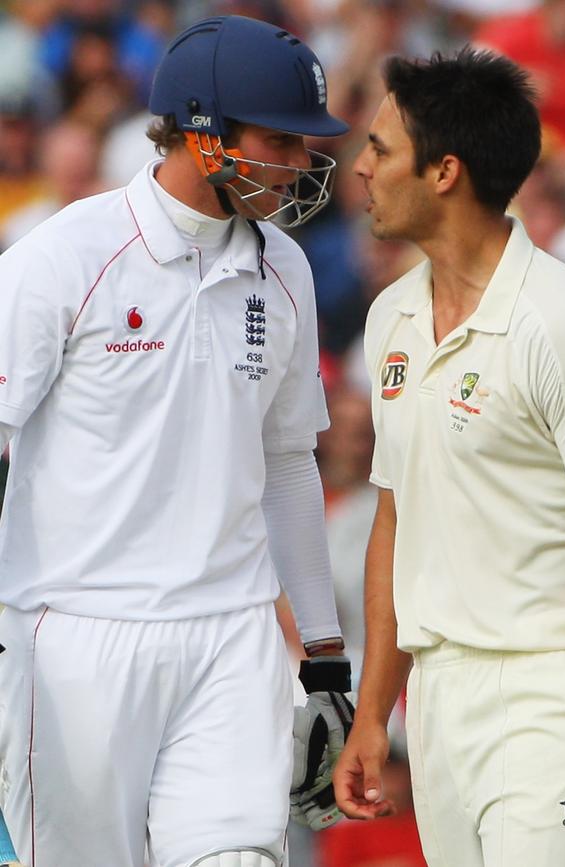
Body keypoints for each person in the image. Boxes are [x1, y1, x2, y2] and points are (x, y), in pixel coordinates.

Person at [0, 15, 353, 867]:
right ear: (201, 135)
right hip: (73, 634)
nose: (303, 165)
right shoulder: (62, 258)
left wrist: (325, 662)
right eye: (281, 140)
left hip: (230, 633)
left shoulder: (288, 267)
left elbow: (286, 464)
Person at [333, 47, 565, 867]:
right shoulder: (391, 316)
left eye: (380, 149)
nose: (360, 168)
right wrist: (375, 710)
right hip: (438, 699)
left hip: (557, 695)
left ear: (444, 172)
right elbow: (396, 520)